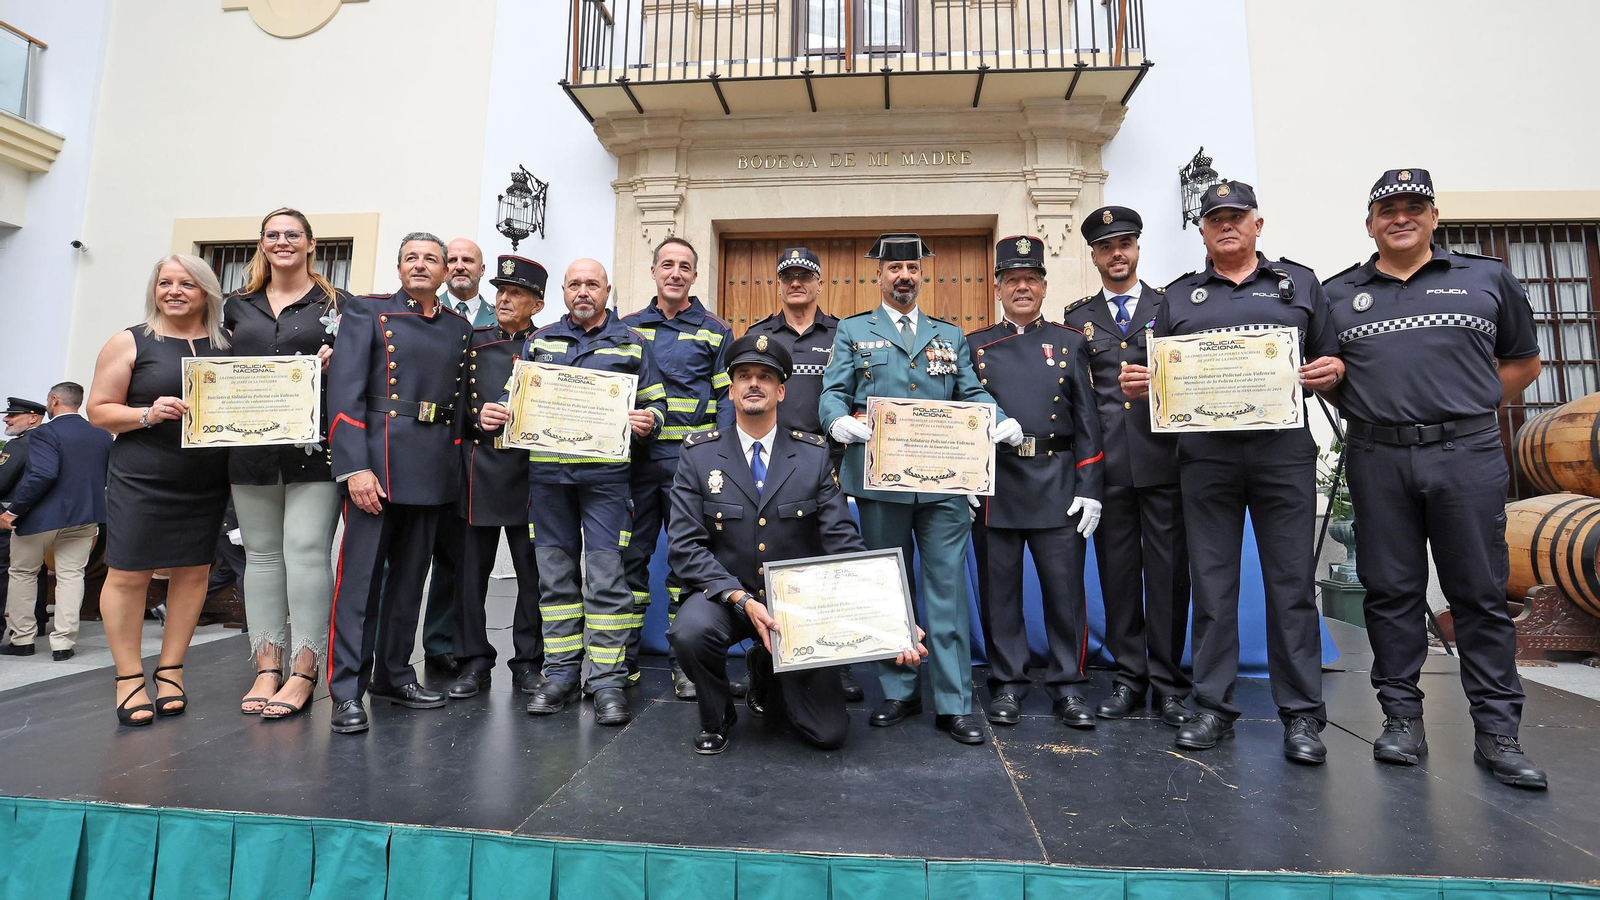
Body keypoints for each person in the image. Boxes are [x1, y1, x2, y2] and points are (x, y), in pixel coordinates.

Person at [1322, 169, 1547, 789]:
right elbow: (1329, 375)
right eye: (1388, 209)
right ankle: (1400, 722)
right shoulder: (1339, 293)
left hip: (1466, 455)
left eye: (1413, 207)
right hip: (1378, 456)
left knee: (1478, 594)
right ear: (1369, 222)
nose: (1401, 218)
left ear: (1433, 215)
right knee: (1390, 593)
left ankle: (1499, 734)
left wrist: (1463, 408)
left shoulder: (1485, 278)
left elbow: (1523, 362)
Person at [1120, 182, 1344, 764]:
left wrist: (1333, 369)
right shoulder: (1180, 298)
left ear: (1257, 225)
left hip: (1282, 455)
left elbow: (1333, 357)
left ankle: (1301, 717)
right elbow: (1160, 374)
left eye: (1236, 217)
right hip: (1206, 459)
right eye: (1215, 218)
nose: (1226, 226)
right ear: (1202, 231)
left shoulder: (1299, 285)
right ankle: (1213, 707)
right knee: (1213, 588)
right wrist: (1146, 384)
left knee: (1291, 587)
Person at [667, 333, 928, 753]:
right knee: (690, 631)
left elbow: (842, 540)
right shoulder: (698, 455)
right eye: (745, 376)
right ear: (731, 389)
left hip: (797, 608)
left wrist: (892, 616)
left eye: (765, 377)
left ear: (781, 390)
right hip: (727, 596)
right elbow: (684, 547)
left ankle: (766, 671)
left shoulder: (812, 455)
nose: (755, 384)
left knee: (827, 735)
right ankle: (718, 716)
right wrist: (741, 599)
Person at [819, 233, 1022, 745]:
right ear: (880, 276)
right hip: (878, 481)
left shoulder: (948, 335)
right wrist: (838, 423)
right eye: (894, 269)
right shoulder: (853, 330)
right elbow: (833, 392)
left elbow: (970, 391)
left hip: (943, 487)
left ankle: (954, 700)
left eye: (911, 268)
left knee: (948, 590)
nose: (903, 276)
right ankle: (900, 689)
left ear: (921, 275)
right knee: (889, 584)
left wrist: (1000, 419)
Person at [480, 258, 667, 726]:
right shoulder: (540, 341)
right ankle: (560, 674)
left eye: (593, 284)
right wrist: (496, 413)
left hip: (607, 485)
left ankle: (607, 681)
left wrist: (649, 421)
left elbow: (658, 404)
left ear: (608, 290)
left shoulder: (633, 343)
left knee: (607, 581)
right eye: (575, 284)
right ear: (564, 292)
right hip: (547, 482)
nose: (584, 291)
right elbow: (512, 396)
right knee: (556, 581)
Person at [324, 233, 474, 735]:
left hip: (432, 468)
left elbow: (458, 407)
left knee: (411, 583)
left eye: (432, 259)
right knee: (360, 584)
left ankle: (392, 674)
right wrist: (354, 467)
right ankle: (346, 690)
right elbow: (344, 393)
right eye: (412, 257)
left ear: (445, 271)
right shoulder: (368, 312)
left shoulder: (458, 327)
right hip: (377, 467)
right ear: (399, 266)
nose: (421, 265)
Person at [86, 254, 234, 726]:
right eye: (164, 283)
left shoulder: (225, 345)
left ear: (206, 291)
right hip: (142, 476)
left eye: (186, 283)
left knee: (193, 574)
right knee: (129, 574)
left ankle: (171, 671)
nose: (174, 291)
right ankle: (128, 677)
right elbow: (98, 411)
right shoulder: (129, 341)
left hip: (205, 478)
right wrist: (148, 413)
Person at [1062, 207, 1194, 727]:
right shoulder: (1077, 318)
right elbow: (1077, 402)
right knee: (1117, 577)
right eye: (1105, 247)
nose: (1116, 253)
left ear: (1138, 249)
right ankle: (1127, 676)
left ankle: (1167, 683)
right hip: (1109, 469)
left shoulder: (1171, 306)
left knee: (1167, 577)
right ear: (1093, 256)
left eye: (1125, 244)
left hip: (1166, 462)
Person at [967, 235, 1104, 730]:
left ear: (1044, 286)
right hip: (997, 485)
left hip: (1057, 483)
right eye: (1011, 280)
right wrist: (964, 479)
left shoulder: (1070, 342)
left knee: (1064, 592)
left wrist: (1090, 487)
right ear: (998, 288)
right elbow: (962, 418)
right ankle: (1006, 683)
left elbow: (1089, 422)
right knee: (999, 591)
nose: (1021, 288)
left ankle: (1068, 686)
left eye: (1030, 279)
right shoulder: (975, 345)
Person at [223, 207, 352, 718]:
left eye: (292, 235)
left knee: (303, 549)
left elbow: (361, 373)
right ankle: (266, 666)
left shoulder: (340, 306)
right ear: (261, 244)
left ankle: (304, 669)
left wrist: (335, 364)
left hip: (315, 447)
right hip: (250, 446)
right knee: (260, 555)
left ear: (311, 244)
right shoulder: (235, 306)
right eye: (273, 235)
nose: (283, 242)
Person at [743, 246, 861, 701]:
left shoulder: (842, 334)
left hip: (827, 468)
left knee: (826, 565)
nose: (796, 283)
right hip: (768, 470)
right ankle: (767, 663)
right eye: (788, 276)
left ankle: (838, 664)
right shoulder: (758, 335)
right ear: (778, 283)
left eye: (804, 276)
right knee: (768, 562)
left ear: (818, 283)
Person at [620, 237, 734, 699]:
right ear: (653, 271)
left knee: (688, 568)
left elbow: (726, 397)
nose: (675, 273)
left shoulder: (714, 329)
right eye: (667, 264)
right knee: (629, 562)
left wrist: (718, 454)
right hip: (631, 466)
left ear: (694, 275)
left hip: (690, 469)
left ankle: (685, 666)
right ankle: (618, 663)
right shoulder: (625, 328)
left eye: (684, 266)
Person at [447, 254, 547, 699]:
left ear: (537, 305)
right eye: (501, 292)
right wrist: (475, 417)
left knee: (534, 576)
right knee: (471, 576)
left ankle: (529, 662)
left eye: (516, 294)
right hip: (481, 472)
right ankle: (473, 661)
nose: (504, 299)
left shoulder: (550, 345)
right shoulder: (473, 342)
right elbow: (452, 409)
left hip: (532, 476)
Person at [421, 237, 499, 680]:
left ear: (481, 268)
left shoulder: (496, 317)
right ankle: (436, 642)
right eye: (452, 260)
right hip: (435, 447)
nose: (459, 266)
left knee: (463, 556)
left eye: (467, 259)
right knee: (436, 555)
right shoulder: (430, 315)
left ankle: (456, 643)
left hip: (481, 458)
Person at [0, 384, 110, 660]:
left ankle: (23, 639)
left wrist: (13, 512)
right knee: (71, 576)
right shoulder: (101, 434)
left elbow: (43, 475)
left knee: (23, 573)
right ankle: (63, 643)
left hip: (41, 517)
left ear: (54, 400)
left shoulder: (45, 432)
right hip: (85, 517)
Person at [0, 396, 46, 651]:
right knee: (36, 571)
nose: (6, 419)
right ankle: (37, 620)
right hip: (43, 516)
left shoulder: (19, 445)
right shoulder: (49, 440)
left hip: (12, 515)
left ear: (32, 417)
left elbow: (2, 483)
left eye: (12, 415)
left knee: (9, 571)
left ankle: (14, 631)